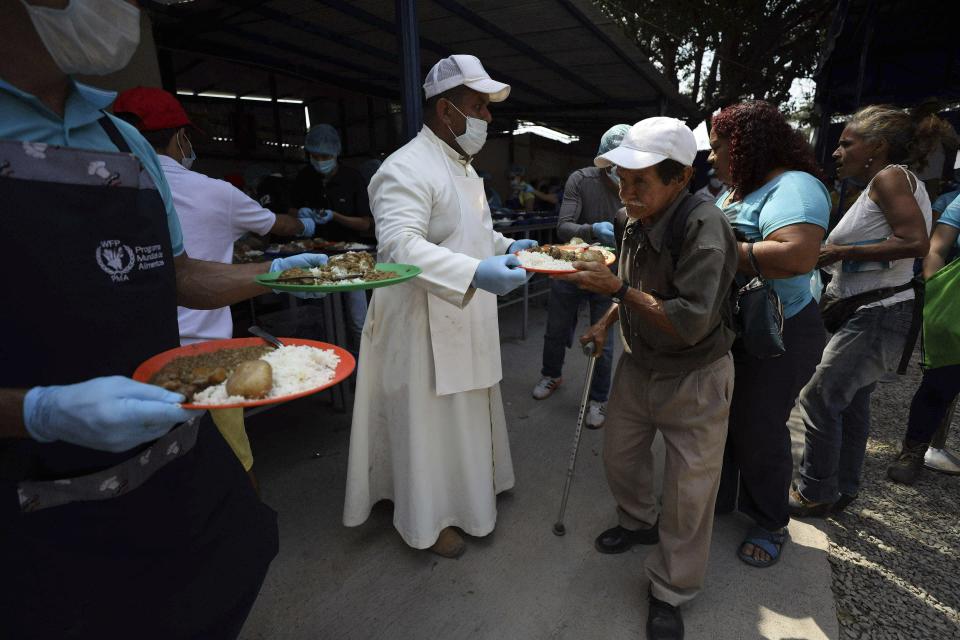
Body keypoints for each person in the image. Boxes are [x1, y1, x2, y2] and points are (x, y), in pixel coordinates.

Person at [0, 1, 329, 637]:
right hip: (30, 500)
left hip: (168, 462)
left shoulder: (121, 142)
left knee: (225, 571)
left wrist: (280, 274)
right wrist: (37, 412)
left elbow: (175, 275)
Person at [342, 54, 534, 559]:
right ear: (446, 110)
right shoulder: (404, 167)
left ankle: (471, 496)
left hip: (464, 311)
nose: (488, 118)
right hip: (419, 323)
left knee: (466, 414)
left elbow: (470, 232)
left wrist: (504, 247)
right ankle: (428, 519)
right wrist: (474, 272)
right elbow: (399, 247)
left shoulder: (463, 168)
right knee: (429, 426)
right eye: (479, 107)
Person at [560, 118, 737, 640]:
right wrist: (605, 320)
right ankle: (637, 522)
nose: (627, 192)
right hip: (640, 364)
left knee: (688, 491)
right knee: (619, 454)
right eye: (621, 178)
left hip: (696, 372)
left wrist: (615, 292)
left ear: (680, 177)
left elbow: (689, 318)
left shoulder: (706, 229)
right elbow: (635, 285)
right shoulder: (633, 218)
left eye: (641, 181)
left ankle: (672, 590)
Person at [113, 86, 321, 484]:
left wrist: (274, 273)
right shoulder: (211, 192)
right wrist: (283, 260)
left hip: (134, 361)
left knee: (157, 478)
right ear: (180, 137)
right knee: (231, 470)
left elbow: (184, 274)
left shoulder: (120, 189)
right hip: (203, 359)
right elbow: (270, 229)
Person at [790, 105, 933, 517]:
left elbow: (915, 242)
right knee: (849, 402)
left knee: (818, 397)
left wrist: (839, 250)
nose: (837, 151)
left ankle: (815, 491)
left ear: (878, 146)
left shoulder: (889, 178)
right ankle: (842, 489)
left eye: (846, 143)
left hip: (879, 312)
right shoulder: (887, 182)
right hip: (872, 311)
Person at [708, 101, 830, 568]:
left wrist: (713, 249)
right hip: (738, 326)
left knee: (759, 424)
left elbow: (797, 254)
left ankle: (769, 520)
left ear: (745, 146)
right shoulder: (736, 192)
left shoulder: (795, 188)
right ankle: (723, 498)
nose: (712, 158)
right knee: (725, 417)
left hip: (781, 330)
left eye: (719, 148)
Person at [531, 124, 630, 430]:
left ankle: (598, 398)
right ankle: (551, 374)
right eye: (611, 164)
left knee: (603, 336)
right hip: (570, 267)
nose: (618, 171)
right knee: (557, 327)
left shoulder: (637, 184)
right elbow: (563, 226)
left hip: (608, 272)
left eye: (624, 163)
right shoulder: (581, 179)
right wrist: (591, 229)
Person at [887, 194, 960, 483]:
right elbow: (936, 248)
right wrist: (937, 291)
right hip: (954, 309)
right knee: (939, 384)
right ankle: (913, 450)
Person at [292, 123, 373, 351]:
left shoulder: (352, 178)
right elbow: (290, 210)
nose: (319, 161)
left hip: (351, 258)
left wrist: (336, 216)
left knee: (358, 320)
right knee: (319, 319)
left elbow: (366, 223)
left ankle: (361, 369)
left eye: (325, 156)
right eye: (315, 156)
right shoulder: (305, 177)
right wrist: (300, 215)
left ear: (336, 154)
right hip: (314, 257)